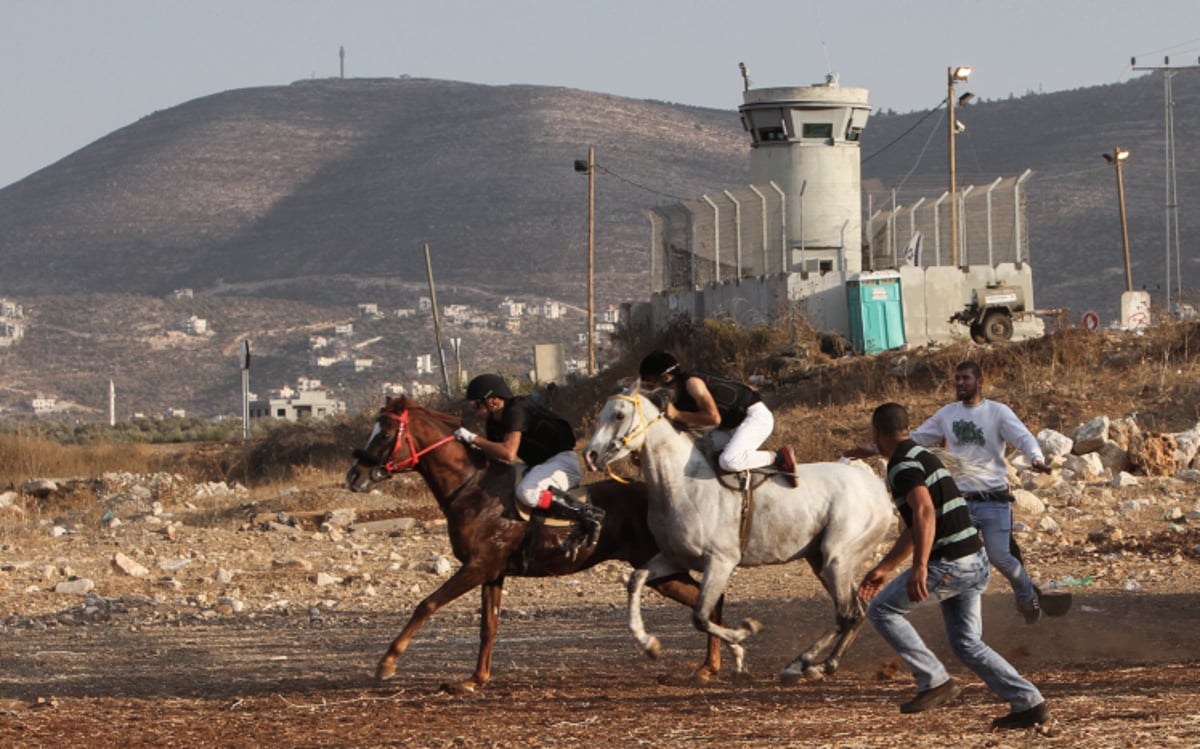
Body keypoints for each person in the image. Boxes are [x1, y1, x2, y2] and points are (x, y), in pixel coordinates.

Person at [858, 402, 1051, 729]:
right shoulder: (922, 455)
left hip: (951, 564)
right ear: (908, 429)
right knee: (967, 642)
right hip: (974, 560)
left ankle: (933, 679)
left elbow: (924, 514)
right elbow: (918, 522)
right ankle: (1028, 702)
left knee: (882, 610)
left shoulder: (902, 466)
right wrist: (886, 566)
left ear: (876, 432)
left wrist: (919, 567)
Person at [909, 360, 1051, 624]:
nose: (960, 383)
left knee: (1000, 556)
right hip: (960, 501)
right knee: (956, 558)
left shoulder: (997, 412)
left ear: (979, 381)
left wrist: (1035, 457)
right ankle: (962, 616)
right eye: (957, 379)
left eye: (965, 378)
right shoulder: (947, 414)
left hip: (993, 499)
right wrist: (883, 444)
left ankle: (1026, 594)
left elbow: (1023, 437)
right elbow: (918, 437)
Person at [454, 373, 603, 544]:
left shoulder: (515, 410)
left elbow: (509, 453)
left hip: (561, 464)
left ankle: (587, 514)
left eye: (477, 404)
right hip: (537, 466)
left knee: (527, 492)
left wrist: (474, 439)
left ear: (493, 400)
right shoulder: (493, 422)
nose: (474, 409)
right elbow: (493, 458)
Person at [638, 351, 796, 487]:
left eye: (652, 383)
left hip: (754, 418)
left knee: (729, 461)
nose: (651, 389)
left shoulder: (693, 383)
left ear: (666, 377)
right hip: (730, 427)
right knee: (699, 453)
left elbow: (714, 418)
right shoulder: (675, 395)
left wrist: (677, 414)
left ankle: (779, 456)